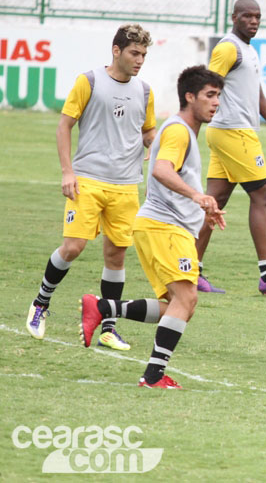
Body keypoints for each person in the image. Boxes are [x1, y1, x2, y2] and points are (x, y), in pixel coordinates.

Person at [80, 65, 226, 389]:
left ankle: (103, 307)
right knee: (185, 300)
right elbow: (161, 169)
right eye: (210, 95)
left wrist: (202, 209)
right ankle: (153, 377)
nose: (216, 103)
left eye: (219, 96)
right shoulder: (178, 131)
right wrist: (198, 196)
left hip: (164, 226)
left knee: (176, 305)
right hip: (164, 227)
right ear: (190, 97)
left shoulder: (183, 131)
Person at [25, 24, 156, 351]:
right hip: (88, 181)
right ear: (116, 50)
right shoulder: (90, 81)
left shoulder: (145, 91)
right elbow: (64, 126)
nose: (139, 60)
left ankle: (108, 327)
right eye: (134, 53)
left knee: (116, 254)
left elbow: (148, 132)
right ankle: (41, 303)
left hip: (126, 186)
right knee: (73, 247)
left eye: (143, 54)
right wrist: (68, 172)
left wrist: (155, 147)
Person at [195, 0, 266, 296]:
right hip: (234, 133)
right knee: (263, 197)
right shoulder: (228, 48)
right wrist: (189, 128)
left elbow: (257, 96)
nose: (253, 21)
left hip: (231, 132)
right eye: (247, 16)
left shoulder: (247, 51)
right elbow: (206, 85)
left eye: (257, 17)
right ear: (234, 17)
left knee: (213, 205)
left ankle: (188, 271)